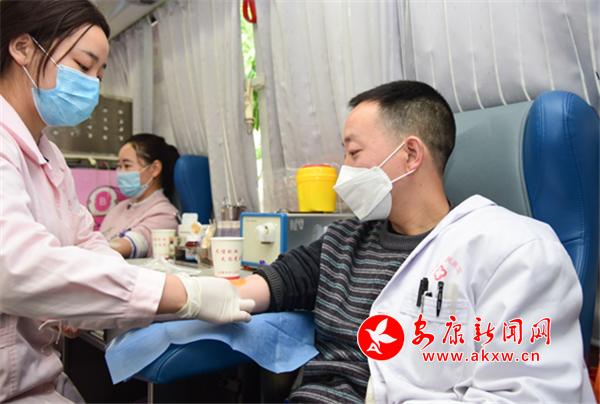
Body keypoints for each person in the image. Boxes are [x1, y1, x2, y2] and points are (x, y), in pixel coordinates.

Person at [233, 80, 595, 402]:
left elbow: (524, 393)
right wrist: (205, 295)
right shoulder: (345, 241)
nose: (345, 171)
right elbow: (270, 283)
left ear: (410, 155)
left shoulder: (513, 250)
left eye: (354, 153)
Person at [0, 1, 253, 402]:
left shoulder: (50, 158)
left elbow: (87, 243)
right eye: (83, 66)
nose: (92, 86)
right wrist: (184, 295)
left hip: (35, 371)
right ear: (22, 48)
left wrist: (82, 300)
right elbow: (17, 267)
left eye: (99, 75)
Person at [100, 134, 180, 258]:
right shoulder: (118, 209)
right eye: (120, 166)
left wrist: (88, 253)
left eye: (127, 166)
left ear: (154, 169)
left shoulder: (165, 215)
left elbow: (134, 243)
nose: (120, 172)